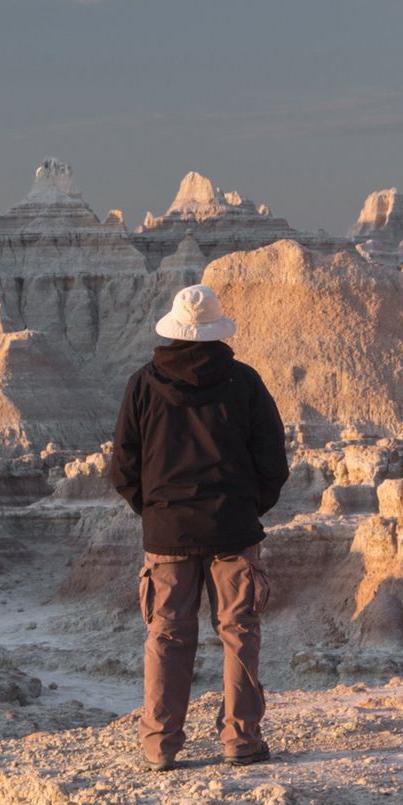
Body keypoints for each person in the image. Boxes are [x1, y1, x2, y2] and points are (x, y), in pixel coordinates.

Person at [105, 283, 289, 771]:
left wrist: (156, 511)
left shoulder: (142, 384)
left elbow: (122, 465)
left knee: (166, 635)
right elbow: (273, 461)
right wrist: (249, 509)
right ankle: (241, 740)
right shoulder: (245, 382)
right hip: (233, 528)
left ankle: (160, 746)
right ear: (216, 333)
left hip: (167, 532)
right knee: (240, 631)